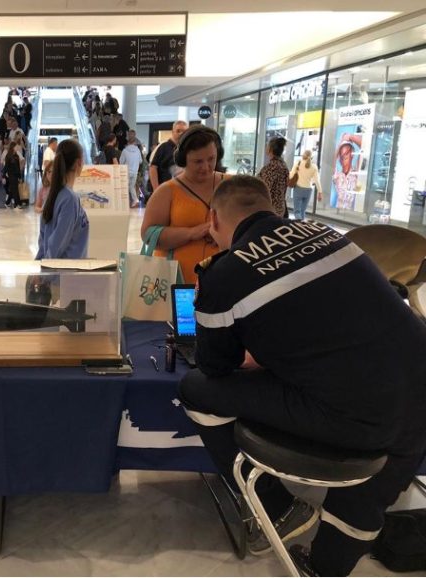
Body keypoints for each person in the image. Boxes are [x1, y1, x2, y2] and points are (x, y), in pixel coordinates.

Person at [177, 174, 426, 577]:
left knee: (196, 389)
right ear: (271, 209)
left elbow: (215, 368)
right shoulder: (327, 233)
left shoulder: (224, 273)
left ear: (214, 219)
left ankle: (280, 507)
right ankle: (327, 567)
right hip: (418, 384)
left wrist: (257, 355)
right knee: (370, 492)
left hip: (350, 412)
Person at [141, 125, 227, 283]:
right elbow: (148, 235)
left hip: (223, 281)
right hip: (179, 283)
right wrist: (192, 233)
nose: (206, 167)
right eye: (198, 161)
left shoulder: (232, 185)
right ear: (182, 159)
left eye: (211, 159)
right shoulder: (166, 191)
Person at [36, 139, 89, 259]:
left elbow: (43, 243)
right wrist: (44, 273)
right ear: (78, 163)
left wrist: (39, 268)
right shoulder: (70, 199)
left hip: (53, 273)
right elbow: (57, 244)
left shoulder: (53, 195)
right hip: (66, 274)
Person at [149, 120, 188, 192]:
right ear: (173, 132)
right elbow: (153, 168)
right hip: (165, 190)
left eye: (184, 131)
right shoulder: (163, 147)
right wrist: (156, 189)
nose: (181, 133)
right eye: (178, 131)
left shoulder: (188, 149)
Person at [257, 136, 290, 217]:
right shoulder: (283, 165)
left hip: (270, 210)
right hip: (280, 208)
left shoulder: (272, 167)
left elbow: (264, 188)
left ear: (270, 149)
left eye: (267, 145)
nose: (266, 147)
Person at [289, 150, 323, 220]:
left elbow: (291, 175)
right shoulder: (314, 167)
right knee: (302, 211)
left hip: (298, 189)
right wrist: (320, 192)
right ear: (311, 157)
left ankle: (299, 226)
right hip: (308, 190)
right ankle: (302, 227)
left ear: (303, 155)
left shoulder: (298, 163)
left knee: (297, 212)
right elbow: (317, 180)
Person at [332, 133, 363, 210]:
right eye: (341, 156)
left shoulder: (355, 174)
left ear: (352, 155)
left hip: (350, 214)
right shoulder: (337, 176)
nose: (343, 159)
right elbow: (332, 159)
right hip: (337, 213)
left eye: (346, 155)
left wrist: (350, 137)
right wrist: (341, 142)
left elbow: (364, 146)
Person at [119, 130, 142, 208]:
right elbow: (140, 161)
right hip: (135, 172)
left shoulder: (125, 151)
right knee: (132, 187)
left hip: (126, 172)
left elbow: (121, 162)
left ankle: (125, 203)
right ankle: (135, 200)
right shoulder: (138, 150)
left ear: (127, 142)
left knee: (125, 187)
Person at [36, 138, 58, 213]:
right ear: (53, 143)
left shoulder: (62, 190)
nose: (57, 146)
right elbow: (46, 163)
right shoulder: (48, 151)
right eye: (56, 144)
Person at [2, 141, 23, 209]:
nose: (17, 148)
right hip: (11, 175)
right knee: (15, 189)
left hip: (16, 174)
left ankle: (7, 203)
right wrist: (3, 176)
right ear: (13, 147)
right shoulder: (8, 156)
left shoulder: (16, 156)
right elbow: (6, 167)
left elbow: (18, 167)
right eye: (16, 146)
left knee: (12, 189)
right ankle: (17, 204)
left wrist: (20, 176)